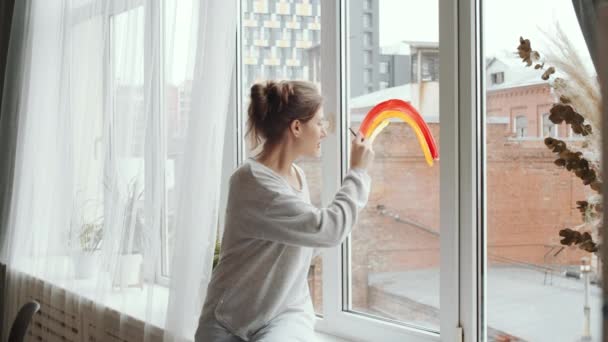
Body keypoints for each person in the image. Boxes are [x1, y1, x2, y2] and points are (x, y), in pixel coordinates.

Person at [195, 80, 374, 342]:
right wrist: (358, 172)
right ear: (297, 127)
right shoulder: (251, 181)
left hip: (284, 314)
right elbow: (326, 230)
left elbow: (305, 240)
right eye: (319, 123)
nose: (324, 132)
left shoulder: (297, 176)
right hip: (227, 320)